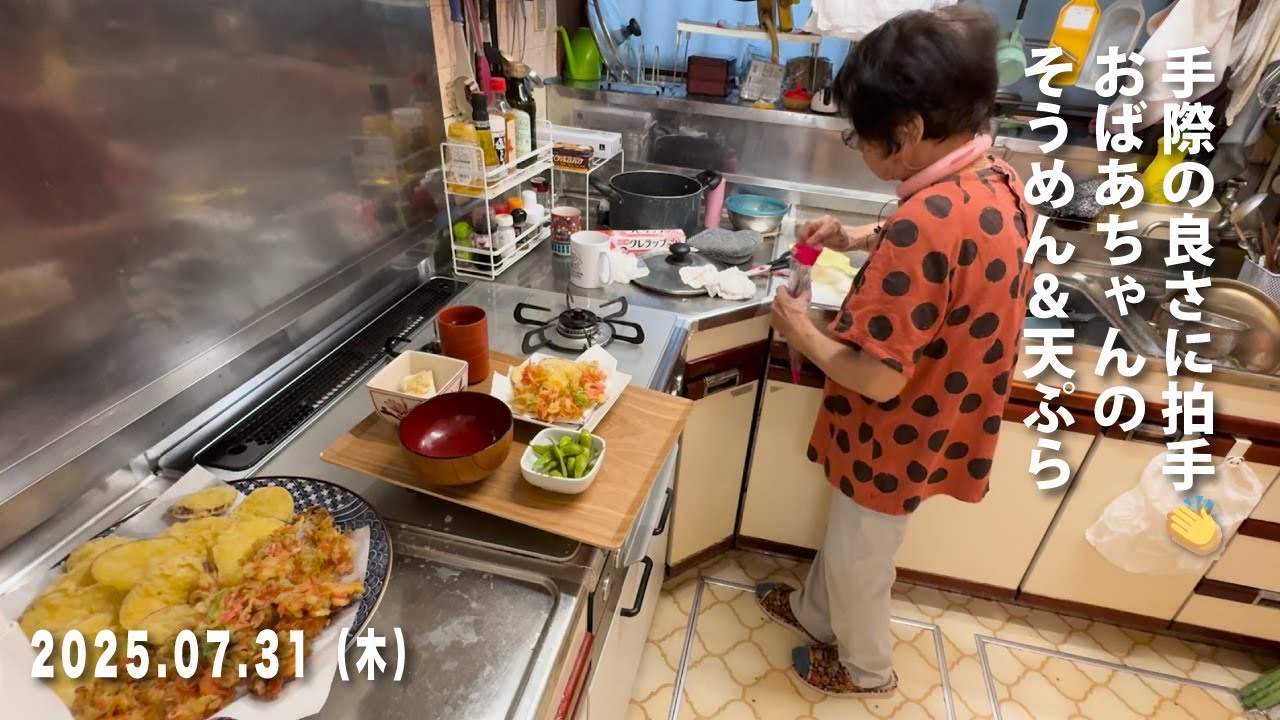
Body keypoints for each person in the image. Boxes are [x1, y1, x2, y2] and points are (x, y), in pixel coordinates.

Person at [759, 5, 1034, 698]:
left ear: (909, 130)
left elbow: (878, 381)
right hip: (943, 412)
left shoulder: (923, 225)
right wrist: (858, 237)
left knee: (862, 559)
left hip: (896, 426)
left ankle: (866, 669)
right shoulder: (996, 177)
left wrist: (801, 330)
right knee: (851, 538)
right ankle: (814, 613)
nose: (859, 146)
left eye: (862, 136)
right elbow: (954, 254)